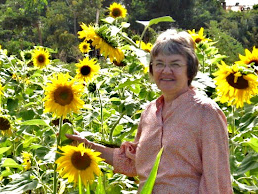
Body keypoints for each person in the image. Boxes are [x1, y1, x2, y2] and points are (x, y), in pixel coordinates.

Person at [66, 29, 233, 193]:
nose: (166, 71)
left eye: (175, 64)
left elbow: (216, 180)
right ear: (152, 69)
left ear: (189, 69)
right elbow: (135, 162)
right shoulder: (149, 112)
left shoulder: (205, 113)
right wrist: (86, 145)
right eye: (159, 64)